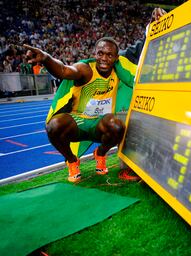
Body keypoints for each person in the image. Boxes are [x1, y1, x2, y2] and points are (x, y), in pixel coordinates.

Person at [24, 8, 166, 182]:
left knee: (118, 125)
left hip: (101, 123)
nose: (104, 58)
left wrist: (153, 25)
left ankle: (100, 154)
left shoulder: (121, 69)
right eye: (100, 53)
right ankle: (72, 161)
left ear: (116, 58)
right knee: (54, 126)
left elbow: (142, 51)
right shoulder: (85, 69)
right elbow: (63, 70)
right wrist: (46, 58)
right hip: (78, 121)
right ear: (94, 54)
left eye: (109, 55)